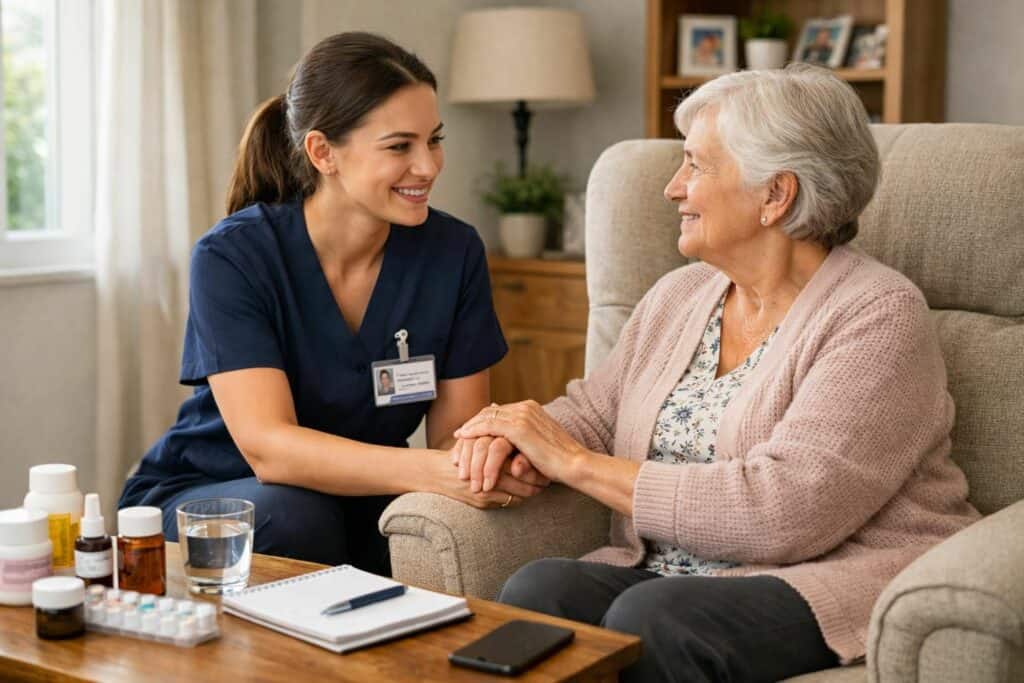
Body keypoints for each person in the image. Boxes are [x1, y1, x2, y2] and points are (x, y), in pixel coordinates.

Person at [451, 65, 980, 682]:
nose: (673, 189)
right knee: (541, 590)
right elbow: (595, 413)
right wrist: (515, 434)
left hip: (824, 574)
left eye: (697, 166)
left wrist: (572, 462)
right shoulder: (681, 295)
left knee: (654, 618)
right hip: (670, 577)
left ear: (775, 195)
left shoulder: (878, 316)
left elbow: (785, 512)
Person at [118, 32, 547, 571]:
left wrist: (484, 468)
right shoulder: (233, 256)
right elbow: (269, 448)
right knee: (299, 514)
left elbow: (453, 439)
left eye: (433, 140)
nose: (429, 166)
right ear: (323, 153)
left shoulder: (453, 252)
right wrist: (441, 475)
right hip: (216, 490)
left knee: (448, 520)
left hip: (360, 496)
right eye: (399, 146)